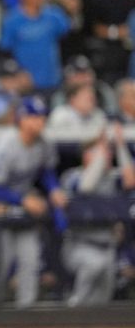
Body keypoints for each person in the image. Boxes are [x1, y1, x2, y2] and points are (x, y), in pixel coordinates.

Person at [0, 96, 67, 307]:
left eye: (42, 117)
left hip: (24, 208)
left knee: (31, 260)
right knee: (0, 263)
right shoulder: (6, 145)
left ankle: (26, 314)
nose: (39, 122)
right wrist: (22, 199)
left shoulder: (44, 143)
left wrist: (53, 189)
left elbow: (47, 171)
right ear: (22, 119)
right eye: (34, 117)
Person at [61, 126, 135, 306]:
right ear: (86, 155)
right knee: (92, 270)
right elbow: (87, 186)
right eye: (100, 151)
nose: (106, 155)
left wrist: (120, 146)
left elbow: (130, 180)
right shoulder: (73, 175)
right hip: (80, 245)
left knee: (103, 300)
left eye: (108, 152)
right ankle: (71, 313)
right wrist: (101, 151)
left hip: (108, 246)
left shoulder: (112, 176)